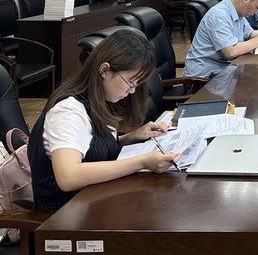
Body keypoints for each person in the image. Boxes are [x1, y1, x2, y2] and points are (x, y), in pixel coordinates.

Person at [28, 29, 181, 213]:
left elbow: (91, 149)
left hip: (94, 200)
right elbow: (68, 177)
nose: (132, 91)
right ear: (105, 70)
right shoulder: (68, 112)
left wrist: (132, 137)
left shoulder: (99, 99)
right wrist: (142, 162)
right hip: (64, 216)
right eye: (131, 82)